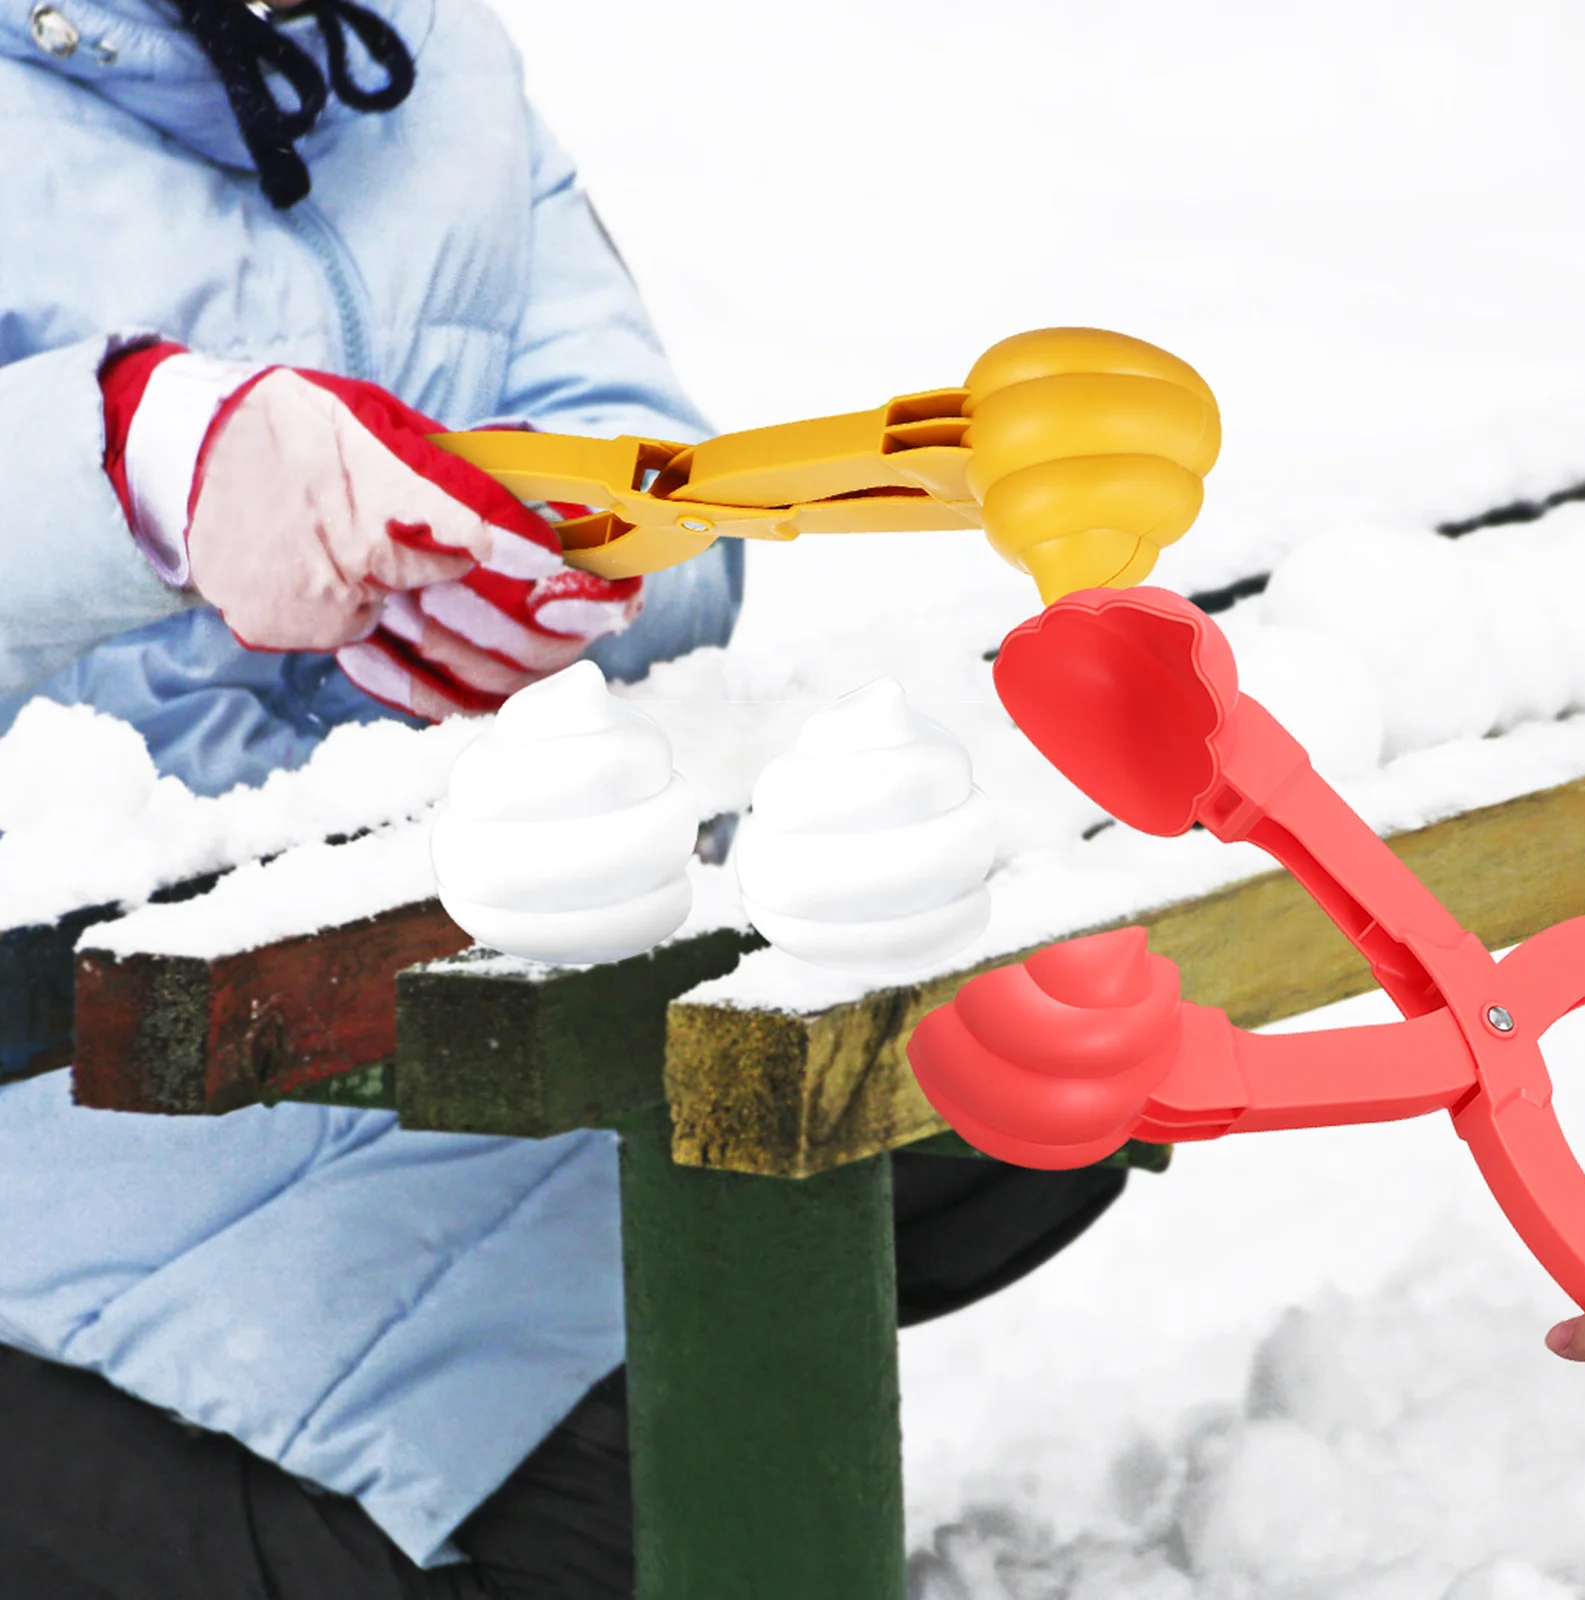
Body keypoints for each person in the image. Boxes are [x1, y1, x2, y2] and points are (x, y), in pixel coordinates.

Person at [0, 2, 1129, 1594]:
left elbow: (651, 460)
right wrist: (128, 462)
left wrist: (586, 565)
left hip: (417, 940)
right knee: (647, 1521)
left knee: (1016, 1047)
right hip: (72, 1037)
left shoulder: (428, 48)